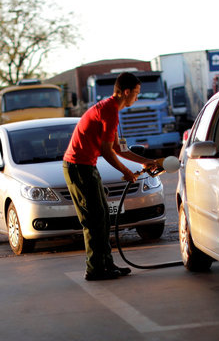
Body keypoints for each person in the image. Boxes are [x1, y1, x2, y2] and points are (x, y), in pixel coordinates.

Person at [62, 72, 158, 281]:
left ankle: (106, 264)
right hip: (78, 167)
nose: (137, 97)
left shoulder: (110, 109)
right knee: (93, 219)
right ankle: (94, 269)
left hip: (87, 166)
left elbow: (116, 147)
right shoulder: (109, 111)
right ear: (126, 92)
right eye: (136, 93)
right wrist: (126, 172)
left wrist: (143, 161)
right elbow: (107, 151)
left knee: (103, 216)